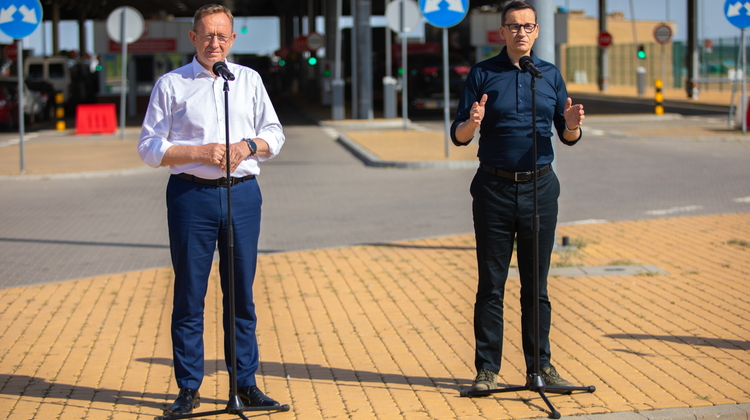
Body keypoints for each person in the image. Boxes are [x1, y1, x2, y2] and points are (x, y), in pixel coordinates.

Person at [138, 4, 285, 416]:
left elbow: (275, 133)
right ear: (193, 38)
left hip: (243, 196)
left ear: (234, 39)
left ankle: (246, 384)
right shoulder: (172, 84)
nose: (214, 43)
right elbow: (149, 147)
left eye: (222, 36)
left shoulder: (249, 81)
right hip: (191, 197)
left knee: (240, 294)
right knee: (189, 296)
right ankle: (188, 388)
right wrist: (197, 151)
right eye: (207, 35)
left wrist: (248, 146)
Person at [450, 0, 585, 393]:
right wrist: (471, 124)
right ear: (502, 32)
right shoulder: (482, 73)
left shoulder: (549, 75)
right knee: (491, 283)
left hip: (540, 187)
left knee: (536, 286)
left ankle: (539, 368)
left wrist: (573, 126)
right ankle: (487, 371)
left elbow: (567, 135)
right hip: (493, 188)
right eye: (513, 26)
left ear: (537, 31)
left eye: (527, 26)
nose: (520, 33)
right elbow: (458, 134)